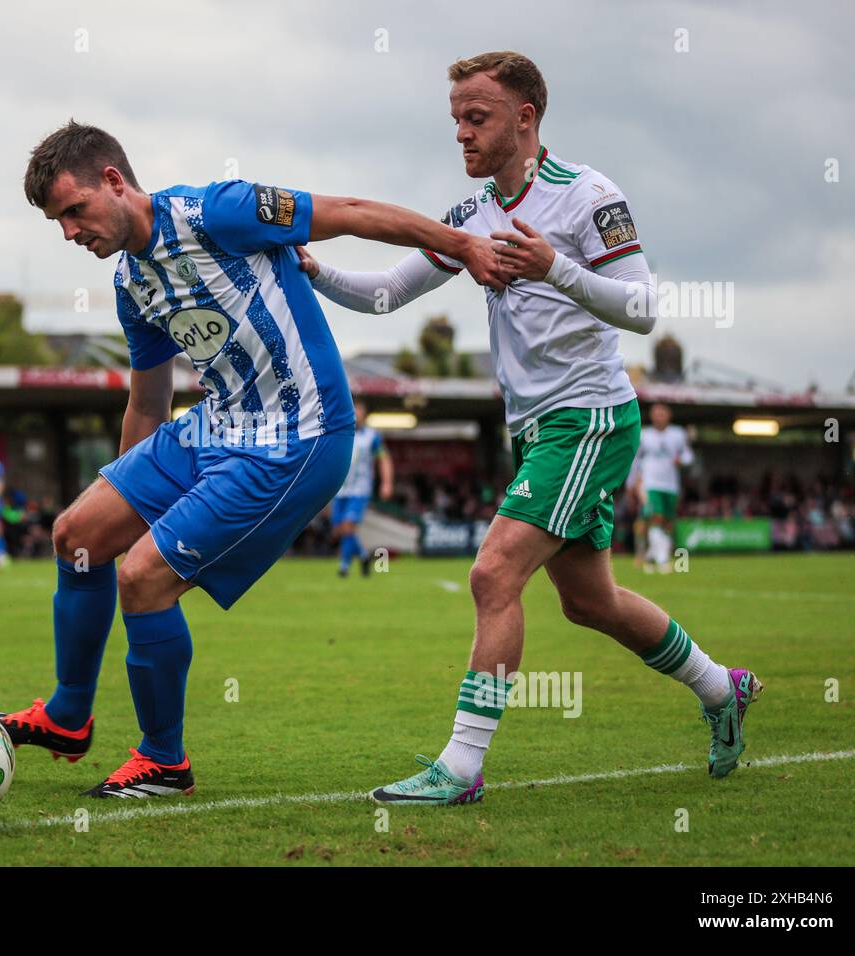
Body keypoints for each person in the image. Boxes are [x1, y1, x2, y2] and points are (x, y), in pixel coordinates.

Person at [0, 119, 508, 799]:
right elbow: (148, 403)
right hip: (215, 425)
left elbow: (350, 212)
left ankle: (163, 761)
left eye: (74, 211)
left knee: (143, 578)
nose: (68, 232)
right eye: (57, 221)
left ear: (114, 182)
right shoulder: (132, 285)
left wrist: (463, 243)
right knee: (77, 536)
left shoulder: (218, 211)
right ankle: (67, 716)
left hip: (299, 434)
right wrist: (126, 496)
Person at [298, 51, 761, 803]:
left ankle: (460, 767)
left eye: (475, 118)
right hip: (536, 432)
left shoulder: (587, 195)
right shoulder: (469, 215)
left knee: (492, 573)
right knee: (589, 602)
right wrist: (314, 272)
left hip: (589, 419)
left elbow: (643, 311)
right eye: (455, 120)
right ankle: (720, 688)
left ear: (526, 118)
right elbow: (386, 295)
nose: (462, 134)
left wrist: (555, 269)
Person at [332, 399, 394, 577]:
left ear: (365, 414)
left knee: (348, 526)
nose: (355, 414)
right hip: (339, 489)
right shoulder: (342, 434)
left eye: (358, 410)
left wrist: (387, 483)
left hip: (360, 489)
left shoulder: (372, 437)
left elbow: (384, 458)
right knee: (339, 530)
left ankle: (344, 567)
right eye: (353, 410)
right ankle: (363, 555)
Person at [633, 403, 695, 573]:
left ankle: (653, 555)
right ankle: (662, 560)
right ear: (652, 416)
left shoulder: (678, 434)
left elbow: (688, 455)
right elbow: (636, 460)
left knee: (667, 522)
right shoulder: (644, 435)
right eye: (656, 414)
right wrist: (634, 482)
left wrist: (681, 461)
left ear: (668, 415)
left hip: (671, 484)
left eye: (662, 413)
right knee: (656, 518)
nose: (659, 417)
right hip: (651, 483)